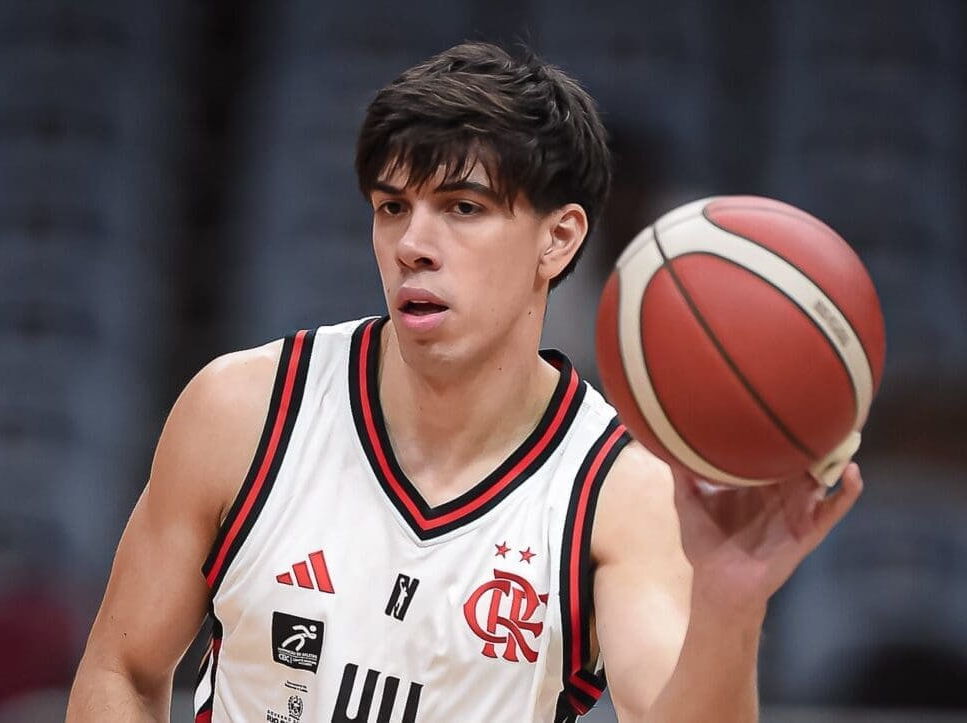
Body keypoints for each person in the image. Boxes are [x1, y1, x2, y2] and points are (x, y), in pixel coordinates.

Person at [66, 41, 863, 723]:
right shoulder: (242, 408)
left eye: (462, 206)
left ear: (558, 239)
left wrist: (730, 602)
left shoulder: (619, 488)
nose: (413, 242)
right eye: (391, 207)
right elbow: (121, 671)